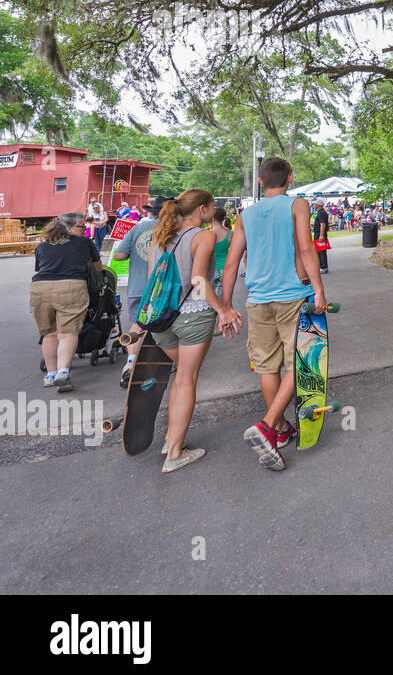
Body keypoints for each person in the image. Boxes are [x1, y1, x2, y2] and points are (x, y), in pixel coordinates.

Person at [223, 157, 325, 472]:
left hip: (257, 301)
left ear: (262, 182)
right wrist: (319, 288)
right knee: (301, 364)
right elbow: (307, 249)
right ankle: (268, 427)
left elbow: (230, 262)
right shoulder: (297, 206)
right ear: (290, 179)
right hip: (293, 296)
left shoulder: (246, 214)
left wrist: (226, 306)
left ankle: (281, 431)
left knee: (268, 367)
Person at [146, 190, 243, 474]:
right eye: (213, 206)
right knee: (187, 379)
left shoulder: (160, 236)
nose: (214, 211)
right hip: (192, 316)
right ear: (202, 209)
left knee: (180, 377)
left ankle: (170, 439)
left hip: (161, 319)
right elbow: (198, 280)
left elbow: (154, 281)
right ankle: (175, 453)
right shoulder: (204, 236)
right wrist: (223, 310)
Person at [30, 213, 102, 388]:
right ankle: (63, 372)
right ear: (68, 228)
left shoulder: (43, 245)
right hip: (71, 287)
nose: (84, 230)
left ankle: (50, 374)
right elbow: (98, 268)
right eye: (81, 227)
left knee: (49, 334)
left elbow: (40, 268)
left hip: (40, 288)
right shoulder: (85, 243)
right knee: (67, 333)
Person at [111, 195, 168, 386]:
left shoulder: (137, 228)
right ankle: (159, 365)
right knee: (165, 325)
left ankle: (131, 363)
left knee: (138, 324)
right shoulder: (172, 229)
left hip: (137, 286)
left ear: (151, 212)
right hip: (162, 287)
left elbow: (119, 256)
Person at [311, 199, 330, 274]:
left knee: (321, 251)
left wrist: (321, 235)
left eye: (314, 204)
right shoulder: (321, 212)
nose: (313, 205)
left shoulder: (321, 213)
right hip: (319, 234)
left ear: (318, 205)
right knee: (319, 251)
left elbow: (323, 224)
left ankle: (323, 267)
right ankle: (322, 266)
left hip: (320, 234)